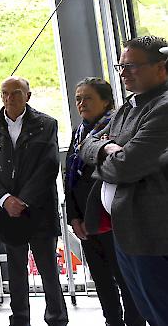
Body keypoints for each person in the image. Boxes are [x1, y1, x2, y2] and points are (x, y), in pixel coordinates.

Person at [80, 36, 168, 326]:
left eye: (132, 66)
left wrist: (106, 155)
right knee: (146, 310)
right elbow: (88, 145)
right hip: (125, 229)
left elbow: (128, 166)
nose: (122, 72)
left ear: (162, 68)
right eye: (121, 65)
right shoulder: (128, 107)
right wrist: (107, 148)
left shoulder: (163, 108)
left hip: (152, 233)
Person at [0, 76, 67, 326]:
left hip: (39, 210)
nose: (9, 98)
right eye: (4, 93)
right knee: (15, 271)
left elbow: (49, 166)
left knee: (49, 269)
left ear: (28, 95)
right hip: (5, 213)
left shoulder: (46, 124)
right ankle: (20, 319)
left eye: (15, 93)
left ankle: (57, 318)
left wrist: (23, 200)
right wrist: (5, 200)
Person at [65, 78, 145, 326]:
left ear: (106, 100)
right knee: (100, 277)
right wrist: (74, 216)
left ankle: (134, 321)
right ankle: (112, 320)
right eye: (78, 99)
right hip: (87, 221)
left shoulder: (119, 129)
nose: (81, 104)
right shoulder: (80, 133)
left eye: (87, 98)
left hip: (114, 219)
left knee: (125, 278)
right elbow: (69, 178)